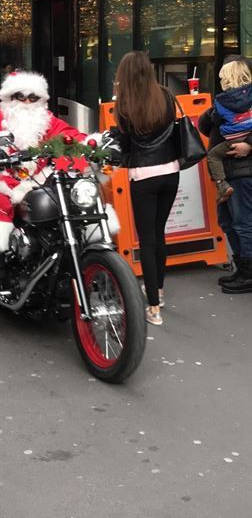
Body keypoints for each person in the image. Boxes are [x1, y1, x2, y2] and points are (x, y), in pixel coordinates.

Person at [0, 70, 84, 292]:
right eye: (20, 96)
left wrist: (93, 147)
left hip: (40, 179)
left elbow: (70, 135)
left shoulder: (47, 121)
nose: (26, 101)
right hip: (4, 178)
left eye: (32, 97)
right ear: (9, 98)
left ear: (41, 99)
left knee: (76, 200)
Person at [112, 51, 179, 326]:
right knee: (159, 235)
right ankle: (159, 293)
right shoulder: (165, 95)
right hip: (171, 172)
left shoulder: (126, 104)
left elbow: (125, 146)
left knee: (147, 241)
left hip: (144, 175)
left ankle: (153, 308)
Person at [199, 56, 252, 294]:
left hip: (242, 172)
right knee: (230, 222)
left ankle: (248, 273)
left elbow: (204, 126)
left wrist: (249, 144)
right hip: (230, 172)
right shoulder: (224, 103)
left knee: (242, 223)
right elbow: (205, 124)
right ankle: (242, 269)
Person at [204, 60, 252, 203]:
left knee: (213, 155)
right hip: (247, 135)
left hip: (233, 140)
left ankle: (222, 184)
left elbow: (213, 120)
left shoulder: (221, 100)